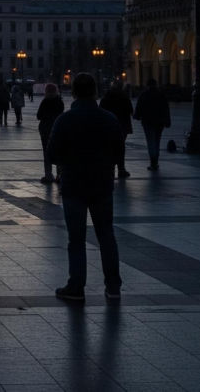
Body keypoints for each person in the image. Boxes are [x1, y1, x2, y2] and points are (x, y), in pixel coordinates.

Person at [47, 73, 124, 302]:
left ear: (74, 92)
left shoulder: (65, 120)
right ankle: (113, 286)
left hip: (74, 185)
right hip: (102, 184)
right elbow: (119, 152)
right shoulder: (109, 119)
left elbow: (52, 154)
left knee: (76, 239)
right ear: (95, 91)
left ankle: (76, 286)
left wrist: (67, 161)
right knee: (106, 236)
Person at [100, 80, 134, 179]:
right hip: (122, 125)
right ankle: (121, 169)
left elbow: (100, 110)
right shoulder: (124, 97)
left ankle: (110, 168)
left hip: (109, 126)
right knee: (121, 147)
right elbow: (130, 110)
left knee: (109, 148)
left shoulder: (106, 98)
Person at [134, 78, 170, 171]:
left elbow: (139, 107)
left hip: (147, 122)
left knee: (150, 142)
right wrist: (167, 121)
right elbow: (166, 108)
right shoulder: (161, 95)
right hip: (159, 122)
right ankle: (156, 161)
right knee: (157, 141)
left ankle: (153, 162)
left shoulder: (144, 95)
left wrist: (137, 116)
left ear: (147, 85)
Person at [36, 83, 64, 184]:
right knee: (58, 152)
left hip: (45, 130)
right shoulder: (59, 101)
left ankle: (48, 175)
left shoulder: (45, 102)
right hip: (57, 129)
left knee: (46, 152)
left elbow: (38, 116)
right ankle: (59, 175)